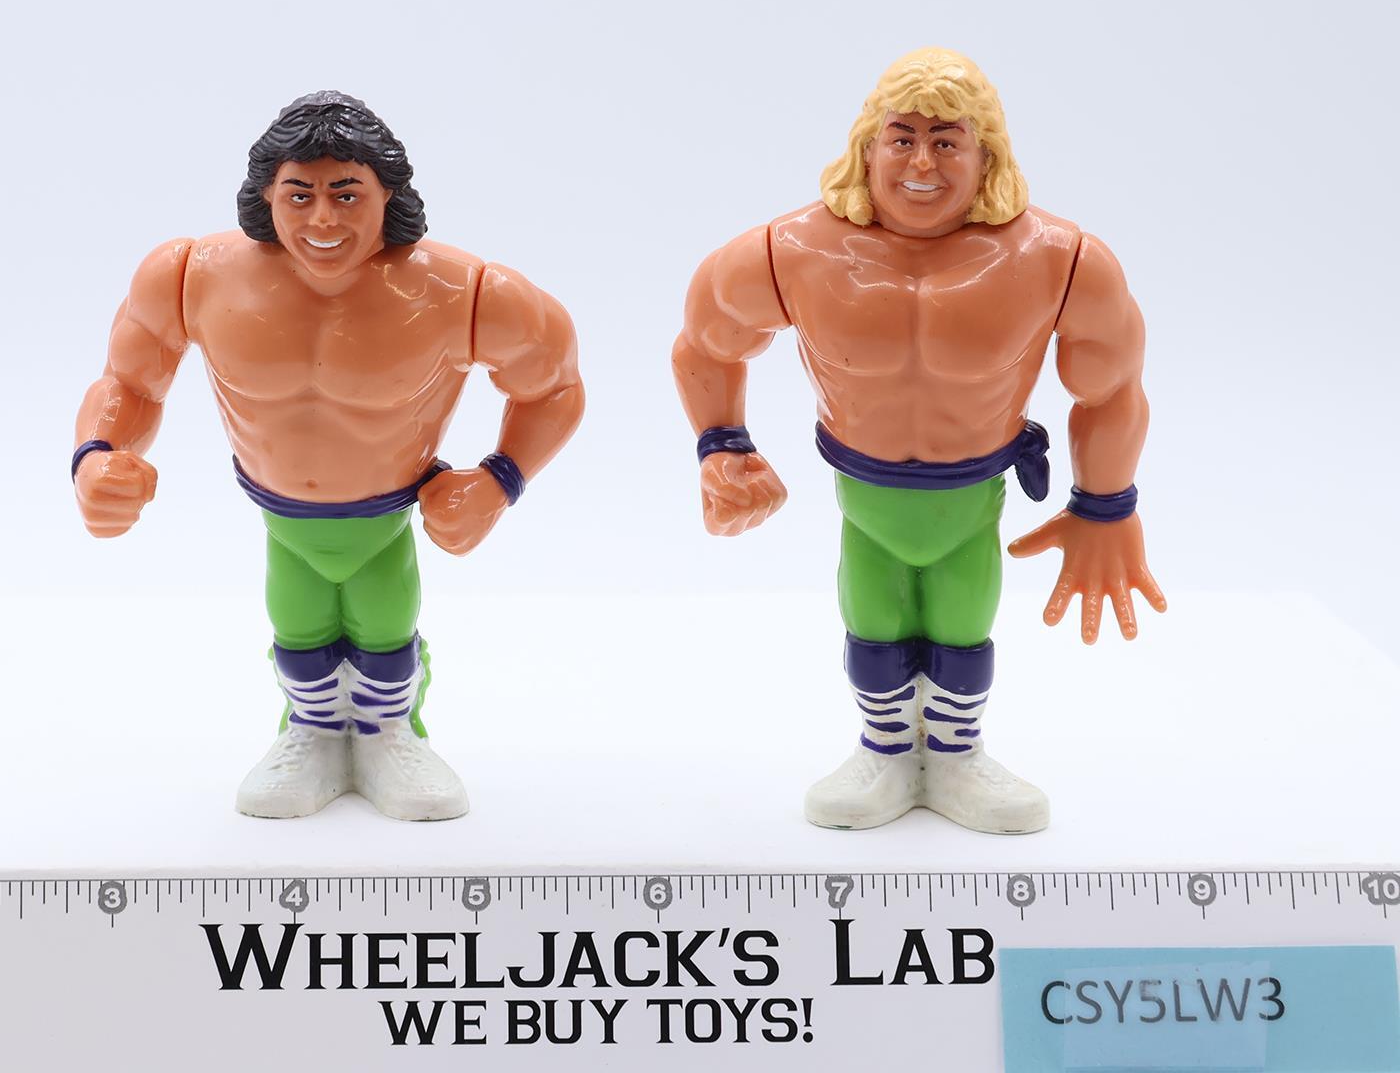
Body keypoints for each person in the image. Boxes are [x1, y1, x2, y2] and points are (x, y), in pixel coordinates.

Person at [673, 48, 1165, 834]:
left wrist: (1107, 505)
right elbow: (706, 342)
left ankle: (958, 755)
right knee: (872, 620)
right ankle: (886, 750)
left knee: (964, 623)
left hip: (972, 497)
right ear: (867, 147)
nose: (922, 164)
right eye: (902, 138)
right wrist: (723, 444)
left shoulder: (1060, 260)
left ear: (986, 155)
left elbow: (1112, 387)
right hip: (864, 498)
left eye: (947, 141)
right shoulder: (792, 253)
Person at [73, 91, 584, 821]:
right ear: (265, 195)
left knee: (385, 620)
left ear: (388, 195)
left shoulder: (464, 292)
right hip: (282, 514)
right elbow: (128, 382)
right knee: (298, 621)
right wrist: (97, 455)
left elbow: (556, 387)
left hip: (386, 512)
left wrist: (500, 479)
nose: (321, 220)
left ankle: (386, 732)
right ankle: (312, 731)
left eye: (346, 195)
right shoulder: (191, 275)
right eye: (299, 195)